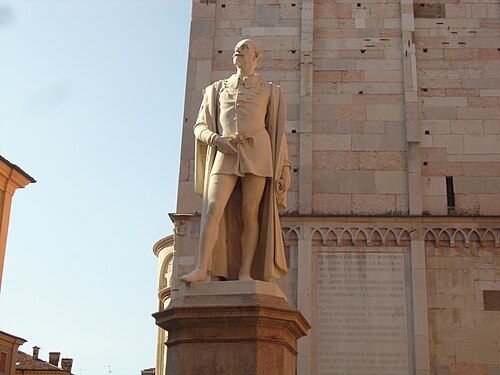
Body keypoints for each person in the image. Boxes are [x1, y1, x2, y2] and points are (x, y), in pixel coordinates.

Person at [180, 39, 291, 284]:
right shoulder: (216, 89)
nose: (238, 50)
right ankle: (201, 268)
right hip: (225, 152)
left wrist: (285, 167)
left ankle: (245, 272)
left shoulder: (271, 90)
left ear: (257, 57)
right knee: (212, 208)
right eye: (236, 48)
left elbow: (277, 133)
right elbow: (199, 127)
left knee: (250, 213)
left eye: (245, 48)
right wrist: (216, 139)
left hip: (258, 153)